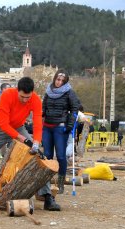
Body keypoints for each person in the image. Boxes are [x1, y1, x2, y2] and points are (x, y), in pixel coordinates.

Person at [39, 70, 79, 198]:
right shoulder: (48, 91)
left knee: (61, 156)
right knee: (47, 155)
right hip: (47, 127)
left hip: (60, 126)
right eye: (58, 79)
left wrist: (70, 125)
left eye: (62, 80)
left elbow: (74, 109)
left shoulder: (69, 92)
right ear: (54, 79)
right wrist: (40, 116)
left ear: (65, 81)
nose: (59, 82)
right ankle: (45, 183)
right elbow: (43, 108)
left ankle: (60, 183)